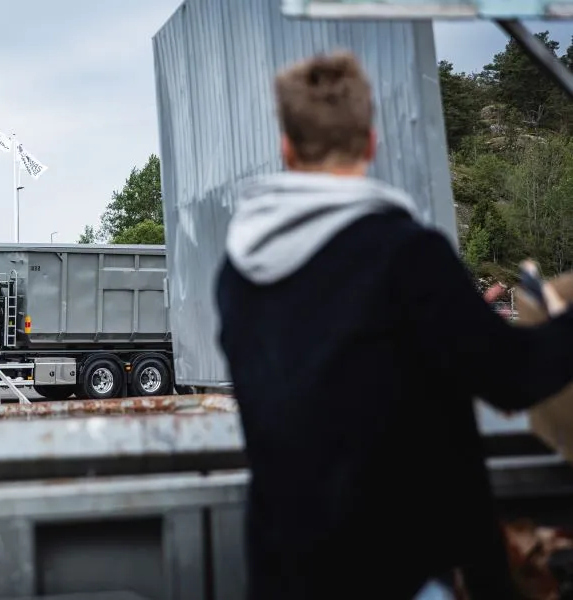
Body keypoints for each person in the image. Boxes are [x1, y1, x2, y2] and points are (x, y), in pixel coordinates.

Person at [214, 50, 573, 600]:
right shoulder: (405, 255)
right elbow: (513, 377)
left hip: (283, 572)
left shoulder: (239, 271)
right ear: (370, 141)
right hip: (398, 572)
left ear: (287, 147)